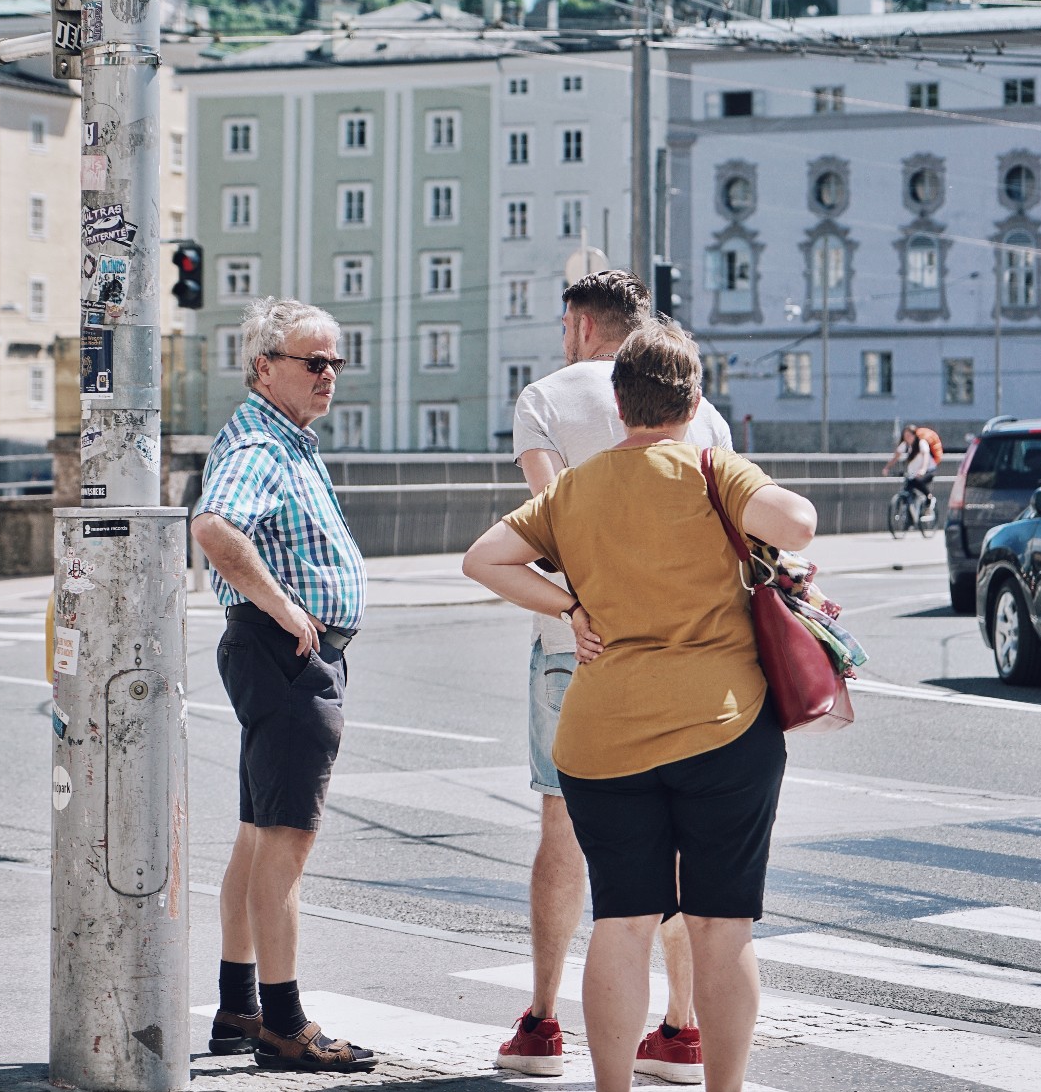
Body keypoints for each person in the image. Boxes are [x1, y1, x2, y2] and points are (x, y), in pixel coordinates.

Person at [462, 321, 817, 1092]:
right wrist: (727, 476)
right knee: (722, 926)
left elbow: (482, 559)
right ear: (692, 401)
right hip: (722, 729)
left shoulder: (573, 489)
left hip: (602, 740)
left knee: (621, 922)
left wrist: (569, 610)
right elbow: (797, 525)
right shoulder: (710, 468)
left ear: (619, 404)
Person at [497, 272, 732, 1084]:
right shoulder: (701, 411)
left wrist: (575, 608)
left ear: (577, 326)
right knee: (680, 834)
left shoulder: (545, 399)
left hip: (578, 638)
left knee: (562, 829)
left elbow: (559, 517)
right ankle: (681, 1028)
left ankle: (542, 1022)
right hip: (689, 649)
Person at [190, 297, 378, 1074]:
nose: (329, 373)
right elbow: (214, 527)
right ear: (265, 367)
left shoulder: (281, 436)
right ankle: (285, 1022)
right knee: (285, 849)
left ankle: (239, 1006)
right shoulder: (263, 443)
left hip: (277, 653)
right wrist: (281, 606)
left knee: (258, 836)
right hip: (287, 657)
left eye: (336, 359)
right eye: (313, 361)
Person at [885, 424, 939, 504]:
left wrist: (923, 470)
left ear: (914, 435)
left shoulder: (922, 443)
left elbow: (926, 457)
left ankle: (929, 498)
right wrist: (887, 468)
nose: (907, 438)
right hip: (914, 473)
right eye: (905, 436)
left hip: (928, 471)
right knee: (909, 486)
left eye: (909, 435)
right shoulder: (905, 445)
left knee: (916, 481)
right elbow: (895, 457)